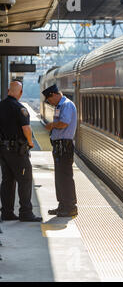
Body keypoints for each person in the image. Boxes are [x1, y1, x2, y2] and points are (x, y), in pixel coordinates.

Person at [0, 81, 42, 222]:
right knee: (25, 179)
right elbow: (26, 129)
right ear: (21, 92)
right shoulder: (20, 108)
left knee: (7, 181)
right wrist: (30, 143)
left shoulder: (0, 106)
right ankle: (25, 212)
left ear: (7, 90)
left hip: (3, 151)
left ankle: (6, 212)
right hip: (17, 151)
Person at [42, 84, 78, 217]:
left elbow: (64, 123)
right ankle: (62, 205)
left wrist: (52, 125)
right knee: (60, 177)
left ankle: (70, 207)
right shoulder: (59, 106)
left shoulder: (67, 105)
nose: (49, 102)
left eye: (49, 99)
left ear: (54, 94)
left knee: (65, 177)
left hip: (64, 145)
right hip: (59, 145)